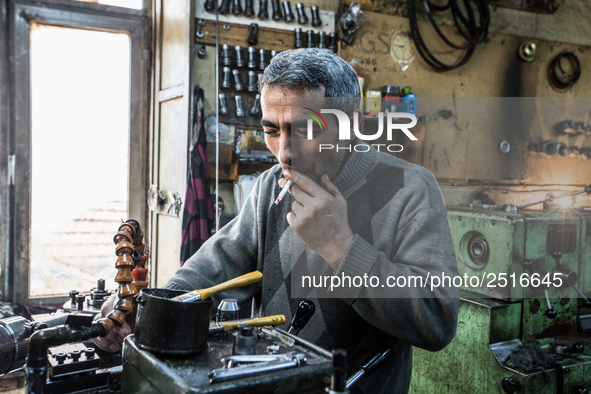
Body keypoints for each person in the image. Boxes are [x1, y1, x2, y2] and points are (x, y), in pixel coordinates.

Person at [94, 48, 459, 394]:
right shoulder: (272, 186)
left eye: (304, 130)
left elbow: (437, 320)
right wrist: (149, 312)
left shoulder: (409, 187)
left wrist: (341, 247)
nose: (285, 153)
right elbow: (214, 266)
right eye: (272, 130)